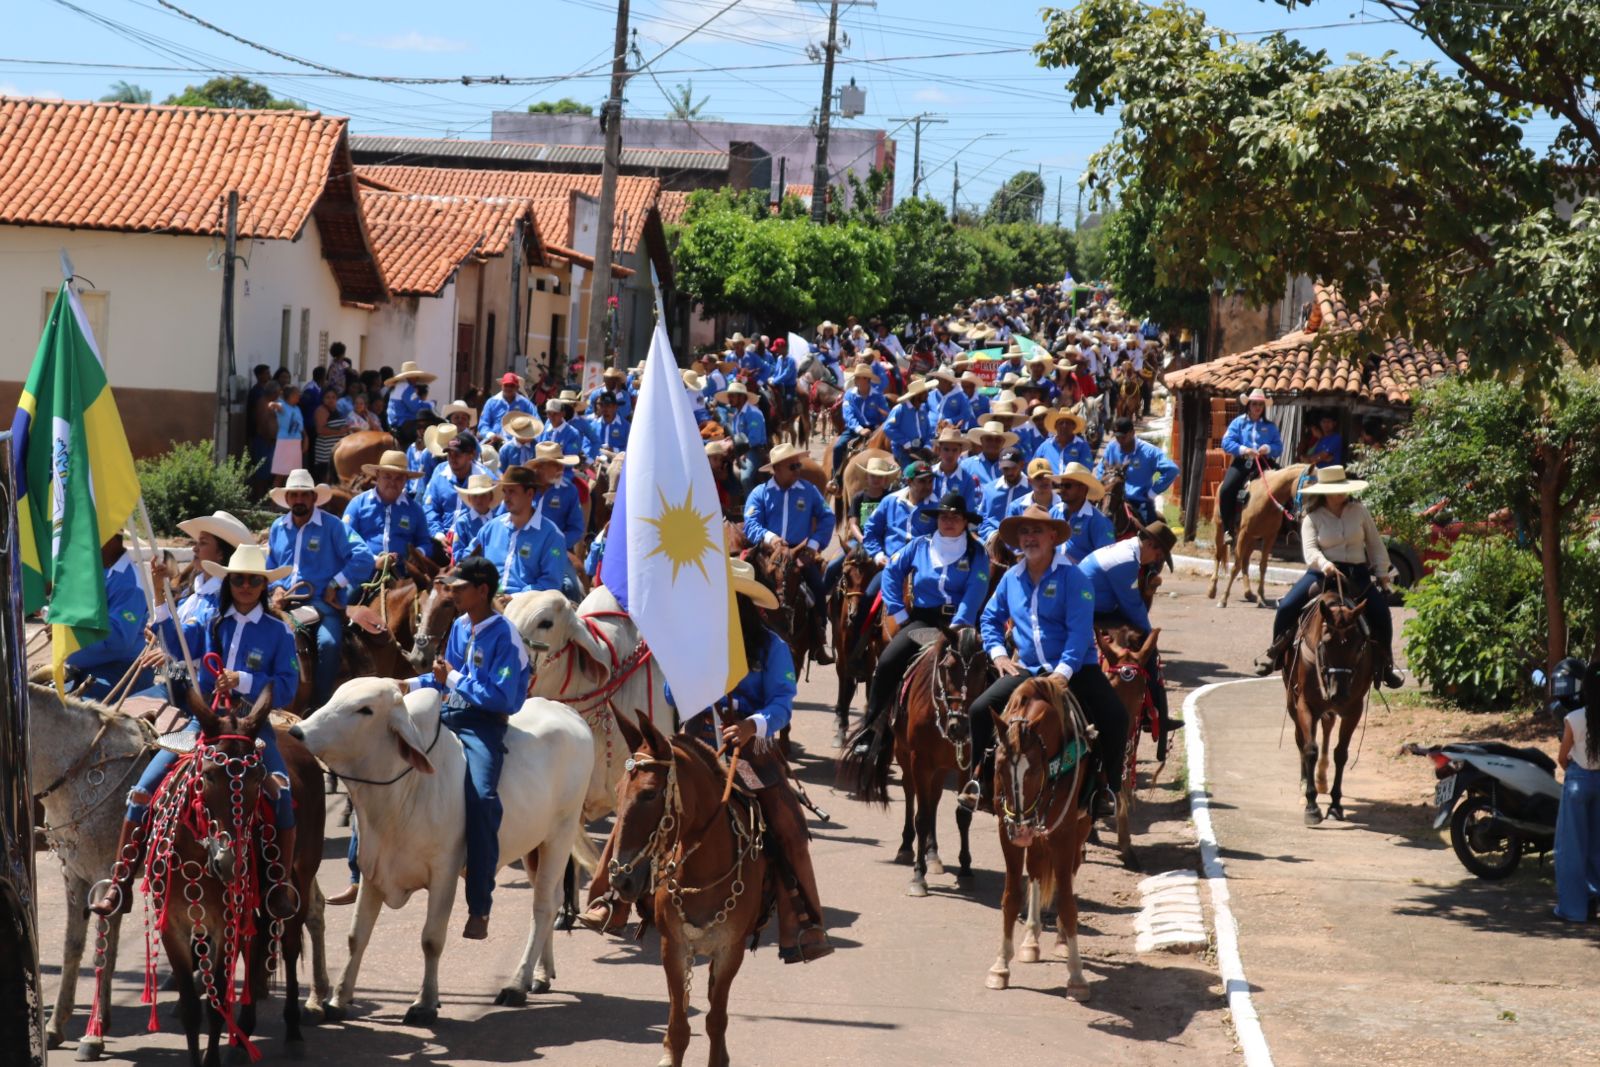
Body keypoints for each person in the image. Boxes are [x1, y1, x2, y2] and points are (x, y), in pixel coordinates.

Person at [90, 543, 302, 917]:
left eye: (254, 580)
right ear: (229, 581)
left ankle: (280, 884)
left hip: (252, 727)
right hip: (202, 724)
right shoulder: (209, 621)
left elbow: (287, 685)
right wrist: (159, 587)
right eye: (239, 579)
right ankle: (121, 881)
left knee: (282, 792)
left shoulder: (278, 632)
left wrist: (244, 680)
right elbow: (173, 643)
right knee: (142, 790)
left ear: (263, 585)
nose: (246, 586)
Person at [960, 507, 1128, 814]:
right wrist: (998, 654)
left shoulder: (1074, 578)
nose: (1029, 538)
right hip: (1027, 670)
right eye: (1024, 532)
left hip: (1075, 669)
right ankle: (978, 783)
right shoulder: (1011, 578)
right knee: (979, 710)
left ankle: (1108, 788)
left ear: (1053, 536)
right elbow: (989, 619)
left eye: (1037, 531)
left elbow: (1079, 632)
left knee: (1115, 717)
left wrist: (1063, 672)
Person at [404, 556, 531, 939]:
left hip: (483, 725)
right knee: (392, 758)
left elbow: (503, 698)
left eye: (460, 588)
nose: (453, 593)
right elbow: (441, 677)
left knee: (482, 797)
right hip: (449, 714)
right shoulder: (459, 626)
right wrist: (406, 685)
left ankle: (480, 905)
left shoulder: (507, 637)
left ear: (482, 591)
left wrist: (454, 678)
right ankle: (363, 872)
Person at [851, 493, 989, 758]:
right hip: (923, 621)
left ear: (965, 521)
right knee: (887, 663)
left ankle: (989, 742)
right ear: (937, 519)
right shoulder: (919, 545)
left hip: (962, 624)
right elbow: (892, 571)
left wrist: (959, 627)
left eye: (956, 517)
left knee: (990, 670)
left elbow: (975, 590)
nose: (949, 521)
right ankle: (872, 730)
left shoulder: (977, 553)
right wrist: (899, 614)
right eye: (944, 516)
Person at [1253, 466, 1404, 688]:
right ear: (1324, 492)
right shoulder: (1312, 518)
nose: (1340, 493)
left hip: (1356, 574)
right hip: (1321, 575)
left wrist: (1382, 573)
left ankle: (1386, 665)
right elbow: (1310, 551)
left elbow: (1375, 543)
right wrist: (1326, 564)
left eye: (1342, 489)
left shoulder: (1359, 511)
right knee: (1286, 607)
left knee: (1381, 613)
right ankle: (1275, 652)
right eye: (1334, 490)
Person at [267, 470, 372, 713]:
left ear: (314, 498)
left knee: (329, 643)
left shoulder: (332, 526)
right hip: (284, 603)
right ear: (288, 499)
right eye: (294, 495)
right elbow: (270, 566)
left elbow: (364, 557)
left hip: (321, 603)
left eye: (304, 495)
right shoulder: (277, 528)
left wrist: (336, 584)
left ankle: (320, 704)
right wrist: (276, 587)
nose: (299, 500)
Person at [1080, 523, 1179, 730]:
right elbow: (1132, 606)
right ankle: (1154, 716)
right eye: (1159, 555)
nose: (1156, 560)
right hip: (1089, 610)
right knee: (1148, 651)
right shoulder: (1126, 561)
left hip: (1096, 605)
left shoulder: (1125, 551)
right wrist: (1149, 637)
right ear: (1151, 544)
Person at [743, 442, 835, 664]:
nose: (798, 470)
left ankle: (818, 639)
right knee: (741, 587)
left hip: (799, 552)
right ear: (777, 469)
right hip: (767, 552)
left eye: (798, 465)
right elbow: (751, 523)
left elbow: (827, 517)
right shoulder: (760, 493)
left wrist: (812, 546)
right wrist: (771, 538)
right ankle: (738, 632)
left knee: (818, 588)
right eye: (792, 466)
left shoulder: (809, 491)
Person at [64, 533, 152, 701]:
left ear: (111, 539)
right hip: (93, 667)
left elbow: (118, 640)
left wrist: (71, 632)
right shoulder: (101, 571)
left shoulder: (131, 584)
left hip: (120, 670)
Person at [462, 465, 568, 595]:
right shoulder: (490, 528)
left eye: (512, 492)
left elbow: (551, 583)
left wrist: (515, 599)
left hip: (527, 607)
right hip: (487, 601)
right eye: (505, 491)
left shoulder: (552, 536)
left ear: (529, 494)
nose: (506, 498)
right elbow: (468, 557)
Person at [343, 450, 433, 582]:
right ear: (377, 476)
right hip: (362, 571)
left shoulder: (415, 509)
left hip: (403, 575)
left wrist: (419, 553)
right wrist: (373, 560)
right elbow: (345, 538)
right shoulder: (358, 504)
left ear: (405, 480)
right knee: (344, 598)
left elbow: (425, 542)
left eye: (398, 478)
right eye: (387, 476)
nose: (393, 482)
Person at [1555, 664, 1600, 923]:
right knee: (1596, 845)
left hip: (1578, 781)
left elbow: (1563, 757)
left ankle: (1573, 909)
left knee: (1571, 847)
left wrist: (1574, 771)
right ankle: (1594, 900)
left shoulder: (1575, 718)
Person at [1216, 389, 1283, 541]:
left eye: (1260, 404)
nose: (1257, 407)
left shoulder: (1271, 427)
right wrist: (1244, 449)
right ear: (1249, 405)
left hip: (1265, 462)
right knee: (1226, 489)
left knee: (1285, 484)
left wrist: (1268, 448)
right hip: (1243, 462)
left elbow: (1279, 447)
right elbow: (1226, 442)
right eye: (1254, 404)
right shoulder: (1238, 423)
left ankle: (1285, 526)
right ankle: (1228, 529)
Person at [526, 441, 585, 600]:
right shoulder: (523, 488)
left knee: (571, 588)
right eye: (556, 465)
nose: (561, 469)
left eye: (561, 464)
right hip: (524, 547)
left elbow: (577, 529)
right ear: (540, 467)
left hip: (556, 550)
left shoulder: (569, 490)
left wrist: (557, 543)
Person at [1095, 416, 1180, 526]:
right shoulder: (1112, 447)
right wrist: (1101, 489)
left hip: (1138, 502)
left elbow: (1172, 469)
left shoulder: (1150, 452)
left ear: (1132, 433)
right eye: (1117, 437)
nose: (1120, 441)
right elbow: (1101, 468)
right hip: (1111, 500)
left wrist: (1152, 493)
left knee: (1152, 534)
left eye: (1123, 437)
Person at [424, 432, 491, 542]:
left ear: (471, 455)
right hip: (442, 535)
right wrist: (438, 534)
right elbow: (430, 508)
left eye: (457, 455)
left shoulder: (485, 477)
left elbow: (495, 513)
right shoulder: (440, 473)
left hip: (471, 539)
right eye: (450, 454)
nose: (452, 459)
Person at [834, 365, 889, 473]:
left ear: (866, 379)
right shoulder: (849, 395)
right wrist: (860, 429)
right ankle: (835, 477)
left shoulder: (878, 396)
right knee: (838, 447)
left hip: (874, 430)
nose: (855, 379)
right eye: (856, 377)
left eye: (858, 377)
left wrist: (882, 421)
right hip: (854, 429)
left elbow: (886, 414)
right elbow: (848, 415)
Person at [1057, 463, 1115, 564]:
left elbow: (1106, 560)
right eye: (1061, 485)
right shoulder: (1054, 511)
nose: (1062, 490)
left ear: (1083, 489)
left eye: (1067, 486)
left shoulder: (1099, 521)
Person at [718, 381, 769, 494]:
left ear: (741, 397)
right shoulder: (736, 414)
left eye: (732, 396)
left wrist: (741, 453)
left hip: (754, 450)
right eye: (729, 396)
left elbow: (754, 439)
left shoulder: (753, 413)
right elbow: (736, 435)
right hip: (739, 449)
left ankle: (751, 505)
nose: (729, 399)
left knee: (745, 478)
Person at [978, 447, 1030, 543]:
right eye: (1006, 468)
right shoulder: (990, 489)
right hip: (993, 542)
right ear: (999, 467)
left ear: (1022, 465)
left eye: (1013, 468)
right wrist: (992, 537)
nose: (1010, 472)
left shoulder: (1031, 489)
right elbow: (982, 519)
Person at [929, 427, 983, 517]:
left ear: (960, 452)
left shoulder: (967, 480)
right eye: (946, 449)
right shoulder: (929, 474)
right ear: (939, 450)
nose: (950, 454)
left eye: (954, 450)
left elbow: (969, 509)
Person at [449, 474, 501, 560]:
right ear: (469, 498)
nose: (479, 500)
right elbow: (458, 554)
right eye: (475, 496)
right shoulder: (463, 522)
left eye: (483, 495)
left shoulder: (499, 521)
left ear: (491, 497)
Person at [478, 372, 535, 445]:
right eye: (506, 385)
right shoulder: (491, 402)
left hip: (518, 444)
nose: (508, 388)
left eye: (511, 385)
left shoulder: (526, 404)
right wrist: (492, 435)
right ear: (501, 386)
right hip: (494, 442)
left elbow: (536, 422)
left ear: (517, 387)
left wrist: (524, 438)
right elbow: (483, 425)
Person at [883, 379, 932, 464]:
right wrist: (906, 442)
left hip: (921, 449)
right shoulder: (900, 409)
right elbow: (888, 428)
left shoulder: (923, 409)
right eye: (925, 393)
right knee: (909, 472)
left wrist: (927, 446)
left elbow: (928, 430)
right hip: (903, 450)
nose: (927, 395)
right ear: (917, 395)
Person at [385, 361, 438, 439]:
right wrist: (431, 404)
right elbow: (416, 408)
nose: (417, 379)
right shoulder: (406, 387)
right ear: (409, 377)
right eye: (415, 376)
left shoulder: (398, 385)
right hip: (404, 423)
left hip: (393, 423)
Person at [309, 386, 350, 484]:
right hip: (325, 455)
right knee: (325, 482)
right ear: (323, 399)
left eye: (333, 397)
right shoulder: (321, 410)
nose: (331, 400)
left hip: (336, 454)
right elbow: (320, 430)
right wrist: (339, 432)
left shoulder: (338, 411)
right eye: (327, 397)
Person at [1033, 409, 1093, 474]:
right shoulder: (1046, 445)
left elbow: (1086, 470)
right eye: (1061, 423)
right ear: (1055, 426)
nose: (1064, 426)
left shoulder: (1082, 446)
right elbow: (1034, 466)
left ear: (1074, 426)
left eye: (1068, 423)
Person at [268, 383, 305, 488]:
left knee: (294, 475)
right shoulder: (283, 405)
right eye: (297, 394)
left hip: (296, 443)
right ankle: (274, 503)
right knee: (280, 474)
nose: (299, 396)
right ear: (291, 395)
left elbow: (301, 426)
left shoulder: (297, 408)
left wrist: (305, 439)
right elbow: (274, 405)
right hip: (285, 443)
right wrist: (272, 405)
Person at [960, 421, 1017, 487]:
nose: (993, 443)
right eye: (988, 439)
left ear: (1003, 442)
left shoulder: (1011, 467)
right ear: (981, 440)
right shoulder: (967, 466)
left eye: (997, 440)